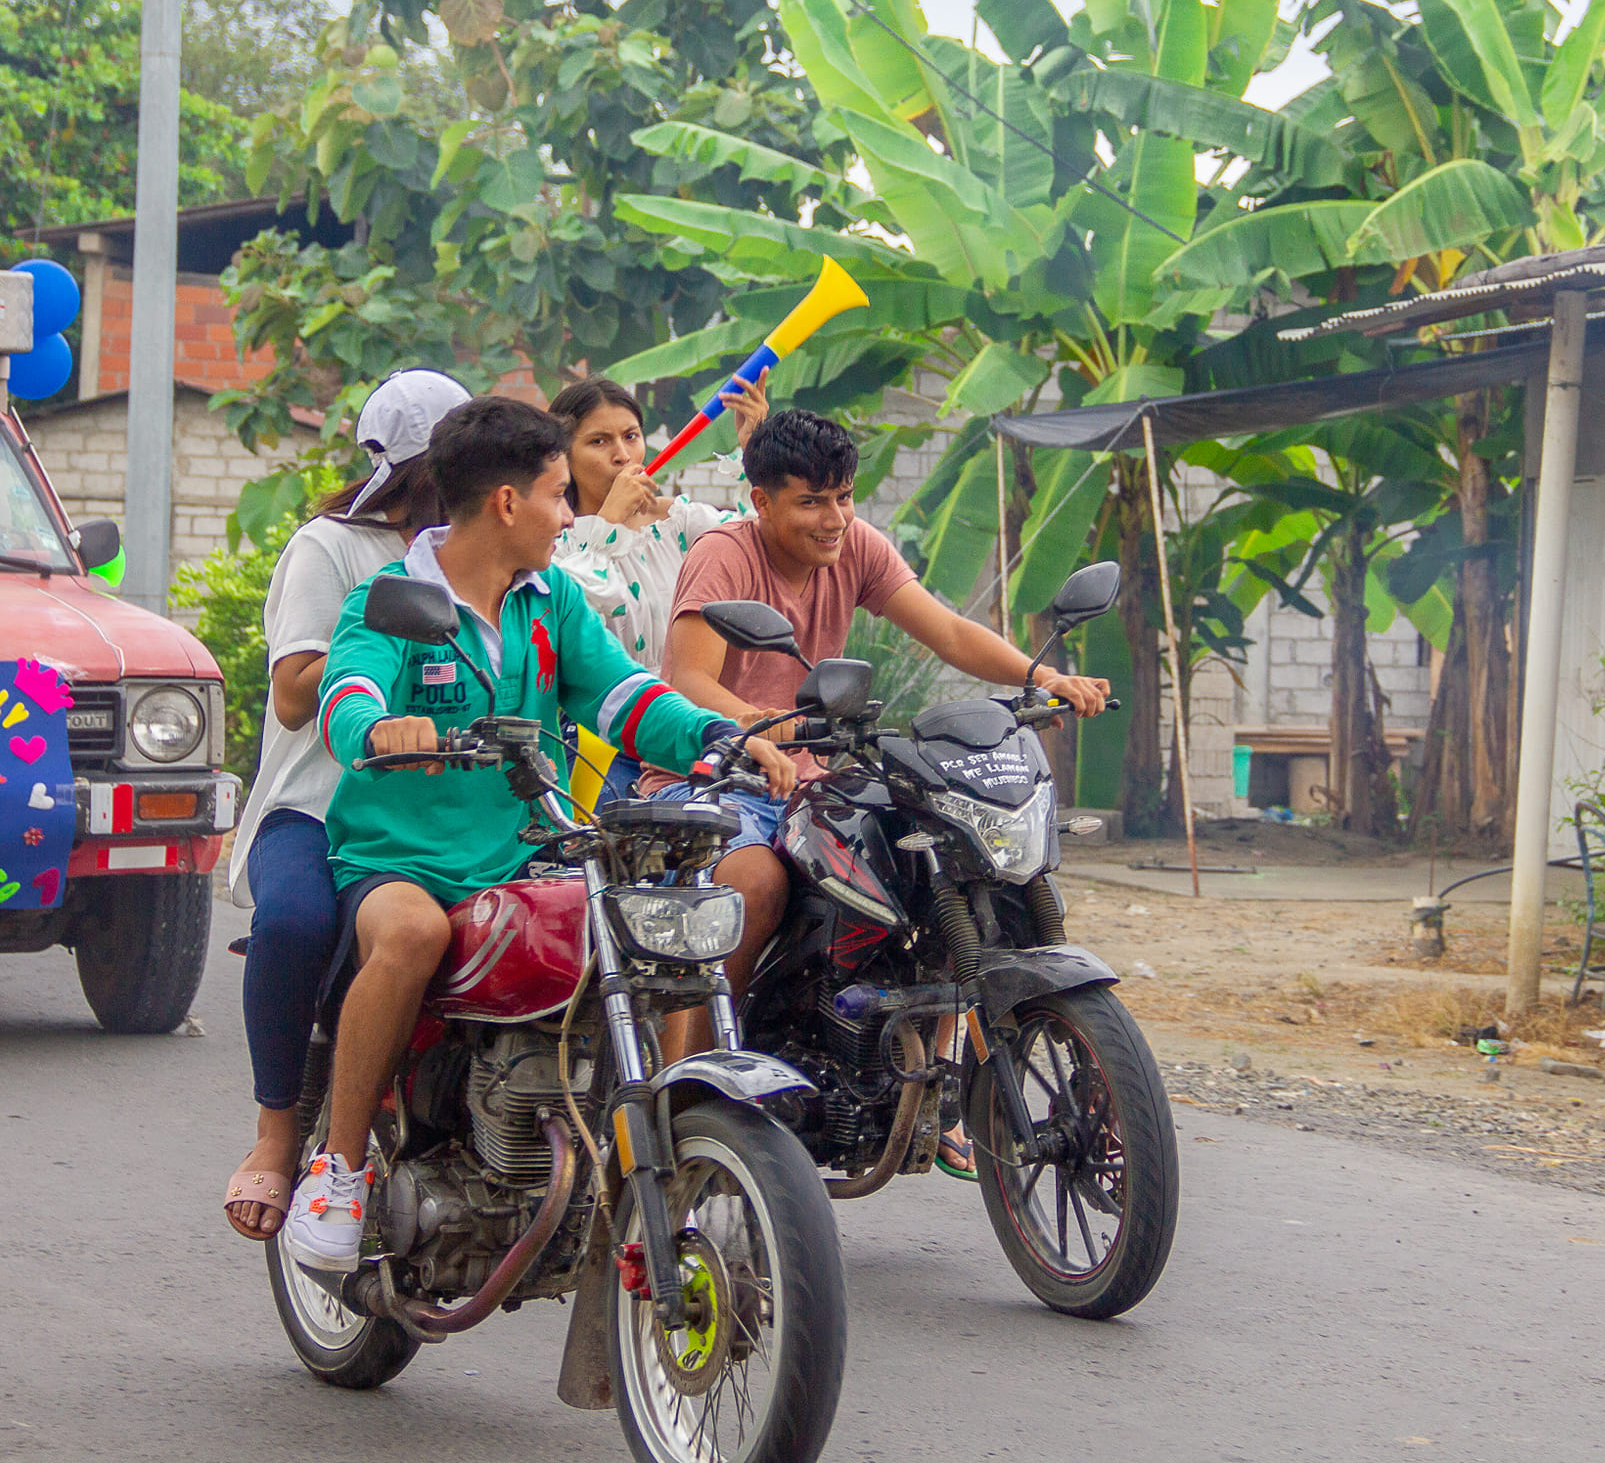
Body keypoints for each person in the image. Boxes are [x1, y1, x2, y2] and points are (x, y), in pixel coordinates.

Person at [284, 395, 795, 1272]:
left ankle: (617, 1150)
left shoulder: (551, 597)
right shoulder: (391, 599)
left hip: (530, 850)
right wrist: (378, 727)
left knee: (639, 933)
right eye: (559, 496)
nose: (570, 515)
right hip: (402, 860)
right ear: (506, 502)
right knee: (411, 935)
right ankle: (339, 1168)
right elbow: (348, 691)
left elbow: (623, 695)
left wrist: (719, 735)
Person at [643, 409, 1112, 1076]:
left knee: (938, 865)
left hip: (809, 777)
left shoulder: (856, 546)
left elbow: (949, 632)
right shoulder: (724, 555)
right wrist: (759, 722)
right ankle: (693, 1075)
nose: (833, 518)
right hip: (712, 776)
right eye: (811, 502)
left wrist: (1042, 677)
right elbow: (687, 680)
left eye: (843, 497)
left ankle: (930, 1082)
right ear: (762, 502)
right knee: (755, 882)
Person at [221, 370, 467, 1242]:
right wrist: (383, 649)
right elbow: (294, 694)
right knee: (294, 923)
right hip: (318, 808)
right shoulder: (329, 548)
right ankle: (277, 1129)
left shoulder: (489, 557)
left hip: (443, 811)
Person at [550, 375, 768, 806]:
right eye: (598, 441)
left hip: (692, 730)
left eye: (631, 437)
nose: (622, 454)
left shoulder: (681, 524)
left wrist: (755, 453)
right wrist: (608, 522)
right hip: (600, 741)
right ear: (564, 456)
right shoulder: (557, 543)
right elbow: (577, 602)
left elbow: (761, 543)